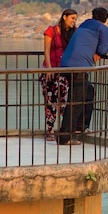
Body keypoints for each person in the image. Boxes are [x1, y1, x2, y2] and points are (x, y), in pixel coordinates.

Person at [58, 7, 108, 145]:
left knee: (88, 91)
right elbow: (104, 49)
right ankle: (64, 137)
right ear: (105, 19)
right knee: (75, 101)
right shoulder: (103, 28)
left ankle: (80, 127)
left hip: (66, 64)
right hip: (79, 67)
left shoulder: (84, 24)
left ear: (93, 16)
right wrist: (97, 52)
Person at [40, 8, 77, 141]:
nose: (74, 21)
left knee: (64, 102)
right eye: (72, 18)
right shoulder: (51, 31)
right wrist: (49, 69)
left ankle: (65, 131)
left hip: (64, 71)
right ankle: (49, 131)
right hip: (50, 71)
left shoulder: (73, 33)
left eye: (75, 19)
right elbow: (46, 50)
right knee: (50, 101)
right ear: (64, 17)